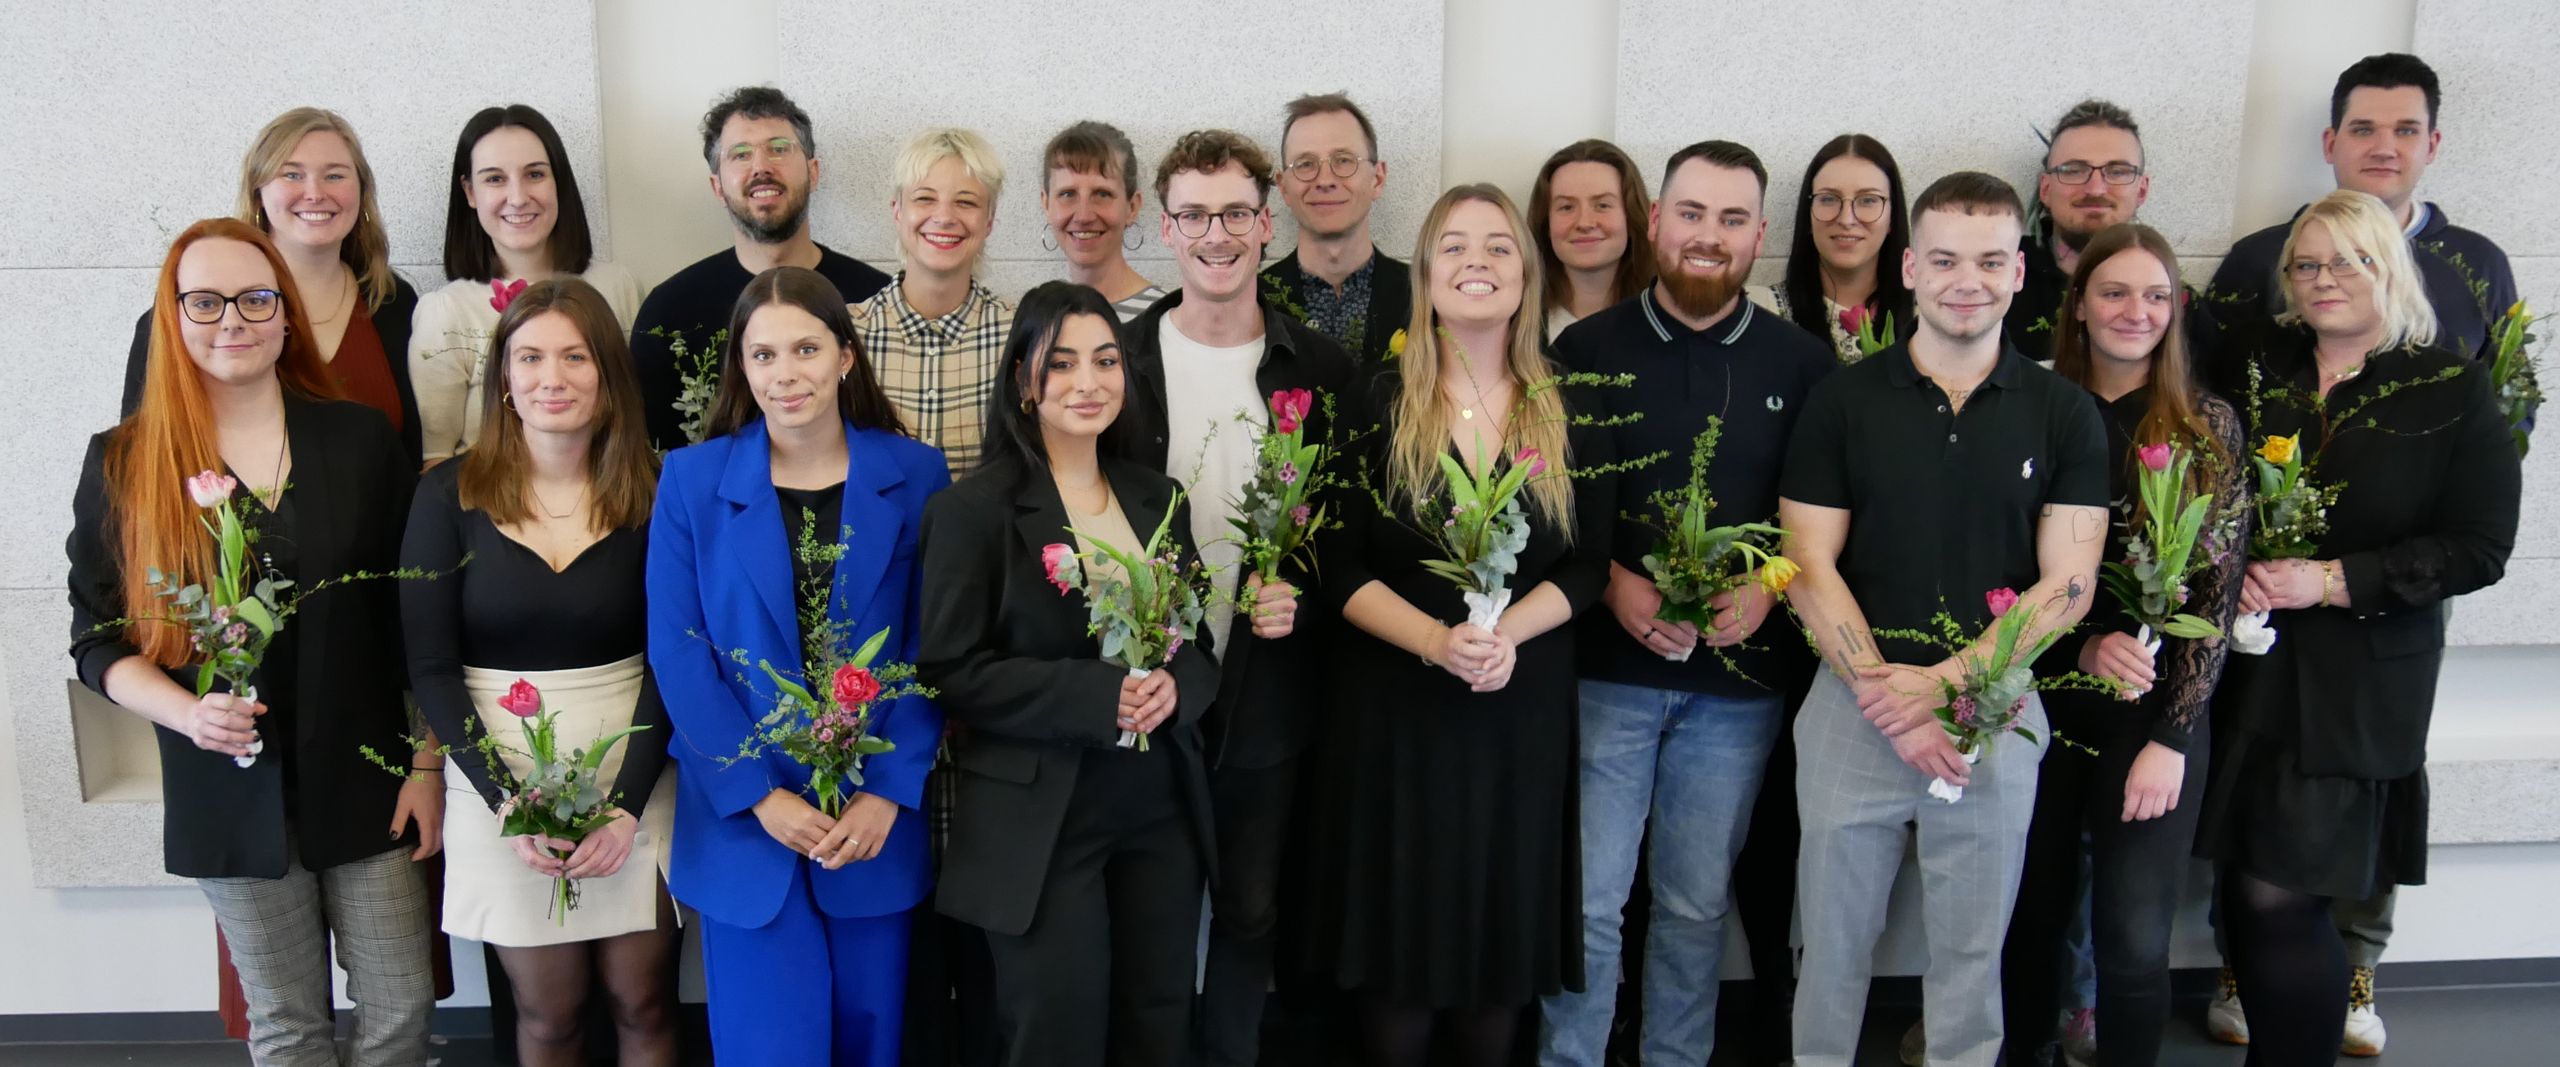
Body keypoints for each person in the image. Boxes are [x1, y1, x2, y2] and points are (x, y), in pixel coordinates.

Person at [2204, 56, 2516, 1056]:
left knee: (2278, 893)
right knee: (2244, 891)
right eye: (2306, 265)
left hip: (2360, 680)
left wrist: (2330, 579)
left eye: (2348, 261)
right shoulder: (2265, 372)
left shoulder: (2447, 387)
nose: (2324, 280)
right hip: (2249, 673)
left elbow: (2480, 544)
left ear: (2390, 268)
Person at [72, 218, 437, 1065]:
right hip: (226, 789)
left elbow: (413, 616)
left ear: (284, 317)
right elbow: (95, 635)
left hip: (370, 778)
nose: (230, 318)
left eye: (254, 297)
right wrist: (188, 713)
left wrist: (425, 766)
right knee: (286, 1021)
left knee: (403, 1004)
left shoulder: (356, 440)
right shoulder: (125, 462)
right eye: (205, 300)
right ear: (172, 316)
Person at [1776, 172, 2110, 1067]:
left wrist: (1948, 686)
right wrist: (1892, 698)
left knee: (1971, 958)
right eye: (1950, 259)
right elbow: (1806, 564)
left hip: (1997, 716)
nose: (1971, 279)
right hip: (1854, 709)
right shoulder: (1843, 401)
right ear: (1912, 267)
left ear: (2018, 273)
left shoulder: (2064, 412)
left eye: (1992, 260)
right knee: (1831, 951)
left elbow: (2069, 585)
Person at [1302, 184, 1616, 1067]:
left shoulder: (1571, 405)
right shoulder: (1373, 401)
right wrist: (1438, 642)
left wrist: (1504, 634)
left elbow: (1590, 563)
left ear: (1527, 276)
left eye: (1498, 247)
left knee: (1497, 950)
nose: (1477, 262)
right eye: (1455, 246)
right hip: (1396, 710)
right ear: (1426, 273)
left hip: (1518, 710)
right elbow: (1337, 562)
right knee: (1402, 949)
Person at [1540, 141, 1831, 1067]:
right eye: (1693, 214)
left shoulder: (1806, 365)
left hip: (1739, 689)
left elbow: (1821, 524)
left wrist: (1767, 586)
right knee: (1588, 901)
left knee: (1697, 904)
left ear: (1760, 236)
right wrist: (1612, 580)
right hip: (1605, 675)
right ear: (1657, 221)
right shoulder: (1581, 351)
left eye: (1734, 219)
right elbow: (1551, 504)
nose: (1711, 237)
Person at [646, 266, 949, 1064]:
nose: (787, 373)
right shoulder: (691, 480)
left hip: (870, 827)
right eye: (765, 354)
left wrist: (888, 790)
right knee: (767, 1048)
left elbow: (933, 646)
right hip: (749, 830)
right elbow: (680, 654)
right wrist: (757, 795)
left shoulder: (915, 475)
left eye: (807, 348)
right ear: (742, 369)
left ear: (846, 356)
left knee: (869, 1042)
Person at [919, 281, 1220, 1067]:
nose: (1088, 382)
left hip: (1158, 807)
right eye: (1061, 363)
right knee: (1056, 1032)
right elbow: (948, 669)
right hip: (1042, 816)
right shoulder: (973, 510)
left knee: (1158, 1021)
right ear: (1024, 379)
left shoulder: (1158, 496)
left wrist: (1175, 686)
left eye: (1105, 360)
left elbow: (1197, 644)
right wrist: (1098, 695)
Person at [1116, 128, 1355, 1067]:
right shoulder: (1118, 363)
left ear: (1266, 223)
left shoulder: (1321, 371)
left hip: (1269, 688)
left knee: (1252, 908)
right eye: (1193, 215)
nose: (1216, 235)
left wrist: (1306, 584)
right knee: (1152, 909)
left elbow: (1353, 535)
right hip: (1146, 685)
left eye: (1234, 214)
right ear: (1165, 228)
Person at [400, 278, 676, 1066]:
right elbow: (430, 665)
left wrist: (622, 806)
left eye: (574, 356)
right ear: (505, 379)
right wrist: (508, 803)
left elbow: (674, 659)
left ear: (608, 374)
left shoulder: (657, 488)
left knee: (643, 999)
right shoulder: (444, 494)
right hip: (496, 771)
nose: (551, 376)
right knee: (549, 1014)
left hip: (637, 768)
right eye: (530, 357)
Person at [1997, 223, 2246, 1067]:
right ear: (2078, 305)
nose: (2134, 310)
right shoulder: (2033, 410)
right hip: (2040, 700)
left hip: (2154, 716)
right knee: (2029, 917)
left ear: (2176, 309)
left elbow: (2213, 596)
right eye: (2113, 291)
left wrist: (2173, 740)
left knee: (2135, 939)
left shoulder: (2207, 425)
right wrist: (2082, 645)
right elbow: (1999, 569)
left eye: (2154, 294)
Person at [120, 108, 425, 468]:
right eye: (292, 174)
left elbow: (414, 455)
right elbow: (141, 458)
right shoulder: (190, 316)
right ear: (258, 193)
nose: (314, 193)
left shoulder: (392, 303)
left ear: (362, 192)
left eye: (335, 175)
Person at [629, 86, 894, 453]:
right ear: (717, 187)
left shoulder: (878, 299)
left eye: (779, 149)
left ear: (814, 172)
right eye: (739, 154)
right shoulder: (669, 312)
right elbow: (653, 457)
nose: (761, 167)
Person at [2211, 54, 2516, 365]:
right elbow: (2204, 381)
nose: (2384, 149)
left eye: (2406, 131)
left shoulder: (2481, 262)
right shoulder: (2257, 258)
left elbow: (2510, 396)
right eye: (2363, 130)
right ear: (2330, 144)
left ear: (2432, 145)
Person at [411, 105, 643, 464]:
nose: (518, 198)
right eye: (494, 179)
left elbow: (634, 421)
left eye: (534, 174)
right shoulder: (445, 312)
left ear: (558, 182)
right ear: (470, 192)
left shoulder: (617, 287)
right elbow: (436, 460)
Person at [851, 127, 1017, 480]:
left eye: (966, 202)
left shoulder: (1019, 334)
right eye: (925, 198)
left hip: (987, 536)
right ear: (897, 210)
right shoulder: (848, 334)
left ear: (989, 220)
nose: (944, 217)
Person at [1261, 93, 1412, 363]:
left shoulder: (1426, 295)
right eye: (1306, 164)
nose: (1325, 180)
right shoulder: (1253, 302)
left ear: (1377, 179)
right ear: (1283, 186)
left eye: (1343, 160)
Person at [1753, 133, 1915, 364]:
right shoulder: (1763, 312)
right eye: (1828, 199)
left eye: (1868, 200)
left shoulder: (1929, 318)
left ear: (1892, 216)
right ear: (1808, 214)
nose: (1847, 219)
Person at [1529, 138, 1656, 340]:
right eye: (1566, 207)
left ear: (1631, 217)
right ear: (1546, 223)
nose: (1584, 223)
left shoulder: (1666, 321)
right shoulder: (1514, 326)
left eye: (1602, 205)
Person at [1040, 121, 1168, 321]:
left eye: (1102, 194)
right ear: (1046, 204)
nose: (1084, 216)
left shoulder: (1165, 319)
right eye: (1067, 194)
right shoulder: (1038, 319)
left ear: (1132, 207)